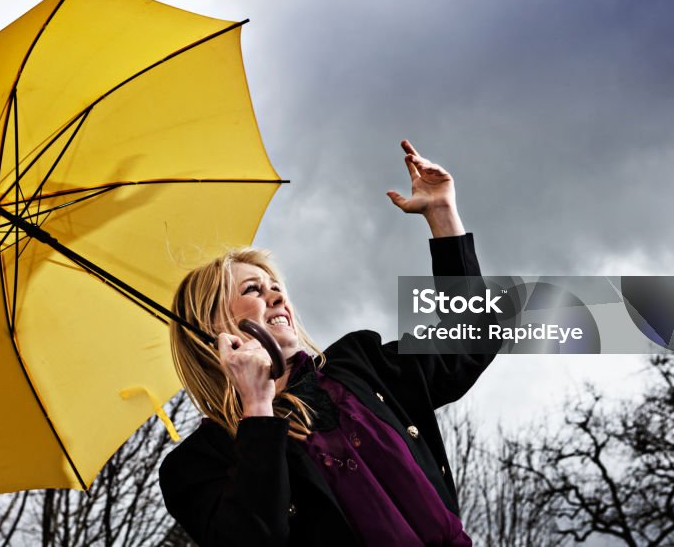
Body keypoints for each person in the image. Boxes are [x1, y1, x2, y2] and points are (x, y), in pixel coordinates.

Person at [159, 140, 498, 546]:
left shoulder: (359, 364)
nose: (277, 296)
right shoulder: (198, 463)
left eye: (276, 286)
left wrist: (443, 215)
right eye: (253, 289)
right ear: (212, 325)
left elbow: (472, 337)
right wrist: (258, 411)